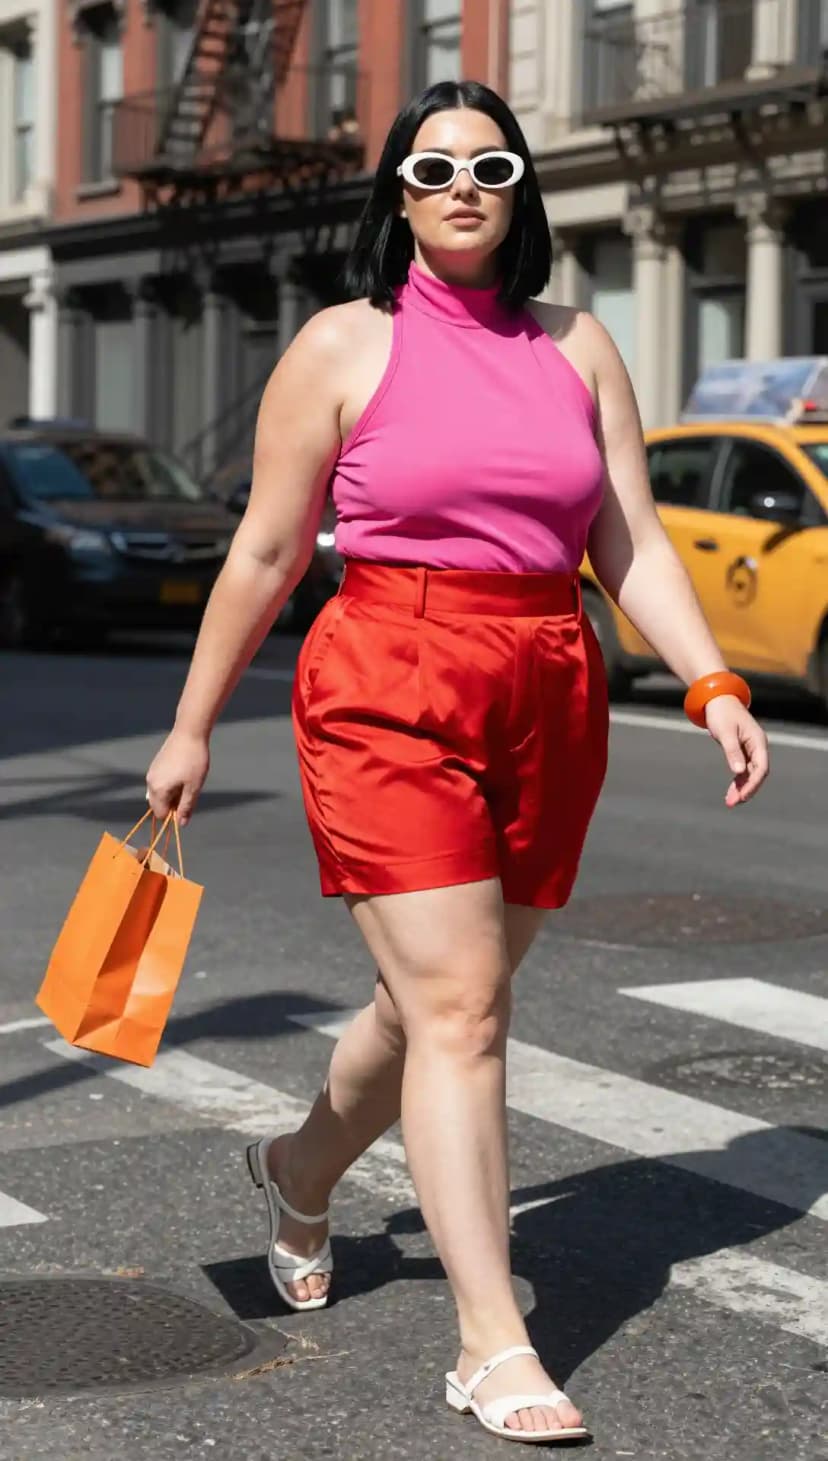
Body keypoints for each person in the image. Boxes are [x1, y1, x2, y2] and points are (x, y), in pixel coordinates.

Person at [145, 80, 769, 1446]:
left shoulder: (580, 344)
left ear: (523, 187)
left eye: (492, 163)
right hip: (386, 675)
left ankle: (299, 1167)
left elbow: (633, 541)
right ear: (399, 195)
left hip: (551, 678)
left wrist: (712, 675)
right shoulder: (339, 346)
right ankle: (493, 1340)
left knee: (436, 1000)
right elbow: (265, 550)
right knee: (465, 1005)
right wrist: (191, 724)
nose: (464, 184)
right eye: (433, 168)